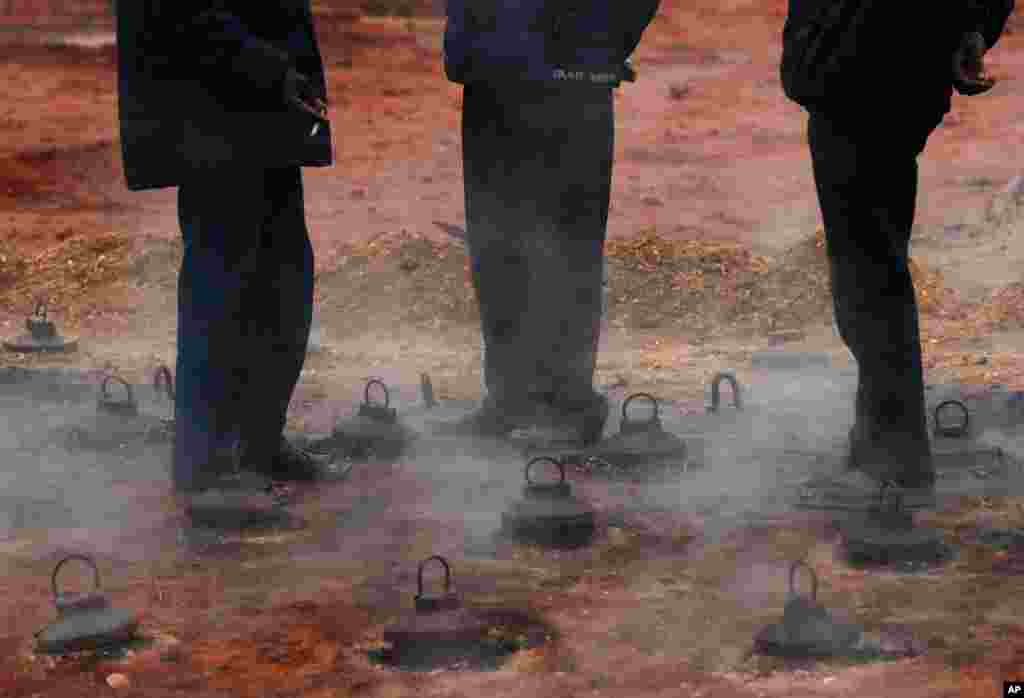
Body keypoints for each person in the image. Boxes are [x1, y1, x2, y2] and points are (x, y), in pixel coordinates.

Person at [781, 0, 1015, 490]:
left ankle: (892, 456)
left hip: (859, 65)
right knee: (873, 257)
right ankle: (879, 438)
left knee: (867, 269)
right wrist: (974, 27)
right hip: (899, 68)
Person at [116, 0, 339, 507]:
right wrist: (270, 68)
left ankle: (257, 443)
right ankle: (206, 468)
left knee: (283, 279)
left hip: (263, 107)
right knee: (221, 290)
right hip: (210, 114)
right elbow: (184, 14)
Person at [437, 1, 660, 447]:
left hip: (570, 77)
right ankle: (510, 397)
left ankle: (567, 404)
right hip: (489, 67)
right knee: (496, 242)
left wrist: (596, 43)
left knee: (565, 243)